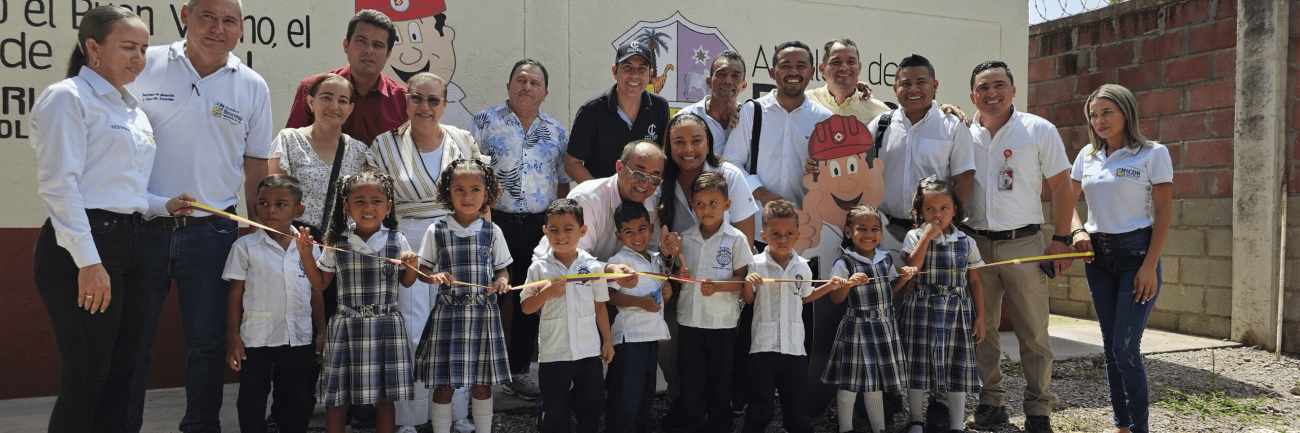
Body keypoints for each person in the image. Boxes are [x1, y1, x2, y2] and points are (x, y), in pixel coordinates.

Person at [30, 7, 192, 432]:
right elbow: (60, 187)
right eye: (128, 47)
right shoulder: (68, 97)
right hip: (84, 247)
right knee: (88, 374)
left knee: (124, 372)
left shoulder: (132, 110)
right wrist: (88, 262)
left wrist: (163, 205)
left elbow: (122, 189)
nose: (139, 58)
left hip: (133, 243)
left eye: (143, 48)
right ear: (93, 48)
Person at [127, 0, 274, 431]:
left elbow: (255, 166)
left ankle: (201, 426)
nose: (217, 28)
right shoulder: (145, 63)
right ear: (185, 15)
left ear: (241, 30)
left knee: (208, 344)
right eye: (208, 16)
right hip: (143, 227)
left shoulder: (252, 85)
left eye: (229, 21)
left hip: (214, 235)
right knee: (133, 342)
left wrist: (257, 231)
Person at [964, 61, 1080, 433]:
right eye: (983, 87)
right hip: (976, 245)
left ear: (1013, 90)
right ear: (972, 96)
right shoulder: (963, 133)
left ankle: (1038, 408)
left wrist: (1062, 239)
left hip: (1025, 243)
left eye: (999, 85)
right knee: (983, 329)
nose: (991, 92)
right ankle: (991, 401)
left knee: (1033, 331)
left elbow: (1063, 187)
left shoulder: (1038, 130)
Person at [369, 71, 483, 431]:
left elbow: (480, 196)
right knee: (413, 327)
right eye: (417, 98)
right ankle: (411, 417)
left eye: (434, 100)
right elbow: (374, 202)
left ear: (445, 105)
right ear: (405, 101)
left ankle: (456, 414)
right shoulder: (383, 145)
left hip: (458, 236)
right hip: (409, 241)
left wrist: (482, 240)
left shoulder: (463, 141)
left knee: (457, 325)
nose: (425, 106)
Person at [1068, 83, 1170, 433]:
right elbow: (1067, 203)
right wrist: (1077, 230)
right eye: (1093, 115)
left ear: (1126, 112)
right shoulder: (1087, 156)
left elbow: (1164, 211)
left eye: (1106, 112)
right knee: (1111, 349)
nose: (1099, 120)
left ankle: (1139, 429)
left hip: (1137, 254)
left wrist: (1148, 267)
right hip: (1098, 258)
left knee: (1126, 348)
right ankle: (1122, 426)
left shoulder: (1152, 153)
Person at [471, 59, 569, 401]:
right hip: (494, 222)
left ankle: (518, 373)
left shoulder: (556, 131)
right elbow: (470, 174)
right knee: (489, 296)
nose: (526, 86)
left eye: (534, 82)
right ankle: (480, 373)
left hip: (539, 227)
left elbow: (562, 183)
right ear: (509, 85)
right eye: (520, 80)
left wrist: (556, 228)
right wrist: (481, 220)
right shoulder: (485, 121)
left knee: (530, 296)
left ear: (545, 91)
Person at [294, 170, 420, 433]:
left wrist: (412, 265)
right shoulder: (336, 243)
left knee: (386, 398)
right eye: (359, 201)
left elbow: (406, 282)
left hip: (386, 327)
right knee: (338, 400)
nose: (368, 207)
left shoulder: (398, 240)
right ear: (346, 207)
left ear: (388, 206)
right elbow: (320, 284)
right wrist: (306, 254)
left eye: (376, 201)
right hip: (347, 327)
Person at [413, 159, 513, 433]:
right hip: (449, 317)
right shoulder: (437, 231)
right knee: (444, 385)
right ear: (448, 192)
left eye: (475, 189)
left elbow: (503, 270)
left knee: (482, 384)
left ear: (487, 193)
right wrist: (433, 277)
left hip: (483, 317)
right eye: (459, 189)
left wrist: (501, 282)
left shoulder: (492, 231)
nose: (467, 196)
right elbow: (423, 270)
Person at [223, 175, 323, 433]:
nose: (271, 210)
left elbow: (317, 291)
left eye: (280, 204)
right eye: (264, 203)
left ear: (298, 210)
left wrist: (321, 331)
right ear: (255, 207)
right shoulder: (245, 246)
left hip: (297, 337)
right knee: (251, 400)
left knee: (296, 399)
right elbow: (235, 293)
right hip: (255, 339)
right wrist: (233, 337)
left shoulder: (309, 247)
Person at [739, 200, 841, 433]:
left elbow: (805, 298)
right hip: (762, 348)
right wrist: (748, 283)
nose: (782, 239)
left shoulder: (803, 268)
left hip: (794, 349)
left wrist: (829, 286)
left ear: (797, 236)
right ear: (764, 235)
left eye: (788, 234)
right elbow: (748, 300)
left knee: (796, 407)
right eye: (775, 234)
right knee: (760, 407)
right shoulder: (755, 265)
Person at [521, 199, 616, 433]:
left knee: (592, 404)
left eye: (568, 229)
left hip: (588, 350)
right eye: (553, 229)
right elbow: (526, 307)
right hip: (555, 353)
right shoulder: (539, 268)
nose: (560, 235)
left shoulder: (593, 266)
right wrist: (546, 293)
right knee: (554, 410)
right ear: (545, 231)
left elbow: (600, 305)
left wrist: (607, 340)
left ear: (583, 231)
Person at [899, 177, 986, 433]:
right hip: (921, 309)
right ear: (919, 211)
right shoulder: (914, 236)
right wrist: (926, 237)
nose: (937, 215)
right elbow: (912, 268)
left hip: (956, 312)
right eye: (930, 209)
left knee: (955, 366)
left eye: (944, 208)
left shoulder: (966, 241)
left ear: (955, 209)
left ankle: (956, 424)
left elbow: (975, 281)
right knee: (917, 363)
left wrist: (980, 317)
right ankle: (916, 419)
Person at [822, 204, 916, 433]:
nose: (869, 234)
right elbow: (836, 298)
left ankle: (879, 428)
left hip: (884, 328)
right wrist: (850, 282)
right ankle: (845, 428)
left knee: (875, 384)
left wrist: (904, 278)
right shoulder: (844, 263)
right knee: (850, 383)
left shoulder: (885, 260)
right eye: (862, 228)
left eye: (875, 229)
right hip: (858, 328)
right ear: (848, 232)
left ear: (881, 233)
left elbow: (890, 290)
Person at [868, 54, 976, 251]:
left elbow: (964, 180)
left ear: (935, 86)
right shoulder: (880, 125)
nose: (913, 89)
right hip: (885, 233)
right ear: (895, 88)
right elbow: (862, 172)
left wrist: (944, 224)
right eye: (906, 83)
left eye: (921, 82)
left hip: (934, 234)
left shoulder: (953, 126)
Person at [676, 172, 754, 433]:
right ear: (692, 204)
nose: (706, 209)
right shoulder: (684, 238)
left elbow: (742, 279)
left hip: (722, 324)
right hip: (689, 321)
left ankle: (721, 425)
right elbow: (676, 277)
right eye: (699, 203)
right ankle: (693, 424)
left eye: (713, 203)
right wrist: (679, 276)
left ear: (727, 205)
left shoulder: (736, 239)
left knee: (721, 379)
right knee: (691, 377)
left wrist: (719, 287)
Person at [722, 40, 833, 217]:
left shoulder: (824, 118)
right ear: (773, 72)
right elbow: (731, 163)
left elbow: (833, 174)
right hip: (756, 222)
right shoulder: (752, 111)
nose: (793, 72)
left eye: (801, 66)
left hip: (806, 226)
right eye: (785, 66)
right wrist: (761, 194)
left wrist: (822, 171)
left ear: (812, 72)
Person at [269, 73, 376, 231]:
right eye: (326, 98)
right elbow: (274, 197)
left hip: (342, 246)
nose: (334, 106)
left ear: (350, 108)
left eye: (342, 101)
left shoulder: (359, 151)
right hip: (297, 241)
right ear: (311, 102)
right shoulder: (289, 140)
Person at [534, 140, 669, 262]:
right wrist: (612, 274)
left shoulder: (655, 199)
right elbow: (571, 260)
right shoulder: (586, 199)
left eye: (654, 178)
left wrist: (666, 252)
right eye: (639, 174)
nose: (645, 183)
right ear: (619, 167)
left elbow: (651, 253)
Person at [286, 9, 405, 146]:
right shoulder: (312, 88)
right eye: (361, 41)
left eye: (377, 45)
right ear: (346, 45)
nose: (369, 50)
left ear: (388, 54)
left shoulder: (403, 102)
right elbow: (290, 148)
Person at [604, 203, 673, 433]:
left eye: (642, 229)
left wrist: (667, 295)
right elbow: (610, 296)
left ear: (651, 228)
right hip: (629, 340)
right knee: (626, 396)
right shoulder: (619, 262)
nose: (637, 236)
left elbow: (658, 297)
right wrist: (638, 302)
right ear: (619, 235)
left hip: (651, 337)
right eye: (629, 232)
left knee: (646, 393)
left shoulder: (656, 259)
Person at [565, 40, 670, 183]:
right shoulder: (591, 110)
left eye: (641, 69)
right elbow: (572, 164)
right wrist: (601, 196)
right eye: (627, 67)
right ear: (615, 71)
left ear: (650, 74)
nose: (634, 75)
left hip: (645, 198)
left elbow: (664, 159)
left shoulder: (660, 107)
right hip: (604, 203)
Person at [807, 39, 891, 128]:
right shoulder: (806, 102)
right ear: (822, 69)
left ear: (859, 67)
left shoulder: (878, 111)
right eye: (836, 62)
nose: (844, 67)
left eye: (851, 62)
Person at [675, 51, 748, 149]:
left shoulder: (748, 119)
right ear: (709, 82)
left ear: (743, 86)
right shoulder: (685, 117)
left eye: (735, 76)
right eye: (721, 74)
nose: (728, 80)